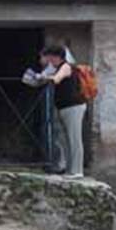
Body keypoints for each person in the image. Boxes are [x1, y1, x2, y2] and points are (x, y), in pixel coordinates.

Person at [40, 45, 87, 178]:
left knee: (74, 139)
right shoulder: (57, 68)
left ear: (55, 57)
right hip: (64, 107)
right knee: (65, 140)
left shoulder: (66, 67)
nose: (48, 60)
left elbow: (57, 79)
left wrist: (44, 77)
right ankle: (70, 170)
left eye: (49, 57)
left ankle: (77, 171)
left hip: (73, 107)